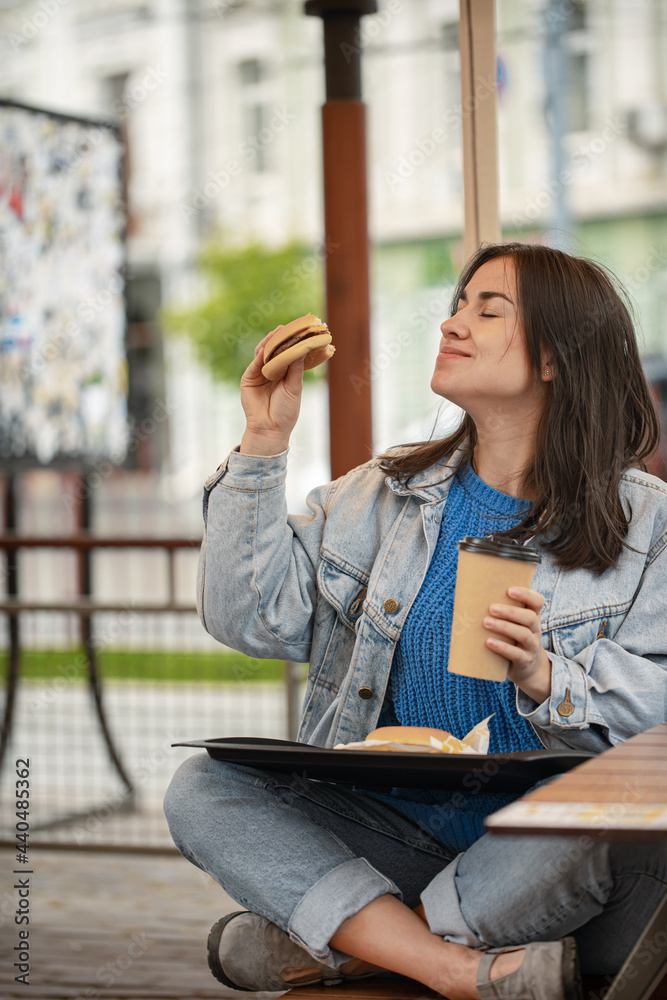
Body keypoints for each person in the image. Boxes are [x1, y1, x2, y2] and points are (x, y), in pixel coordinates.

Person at [164, 242, 667, 1000]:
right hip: (395, 838)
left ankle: (358, 942)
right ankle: (458, 969)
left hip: (554, 860)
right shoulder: (383, 493)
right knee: (202, 788)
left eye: (486, 309)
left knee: (609, 804)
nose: (451, 323)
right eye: (457, 304)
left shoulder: (647, 524)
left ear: (557, 358)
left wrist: (547, 676)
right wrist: (262, 444)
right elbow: (251, 619)